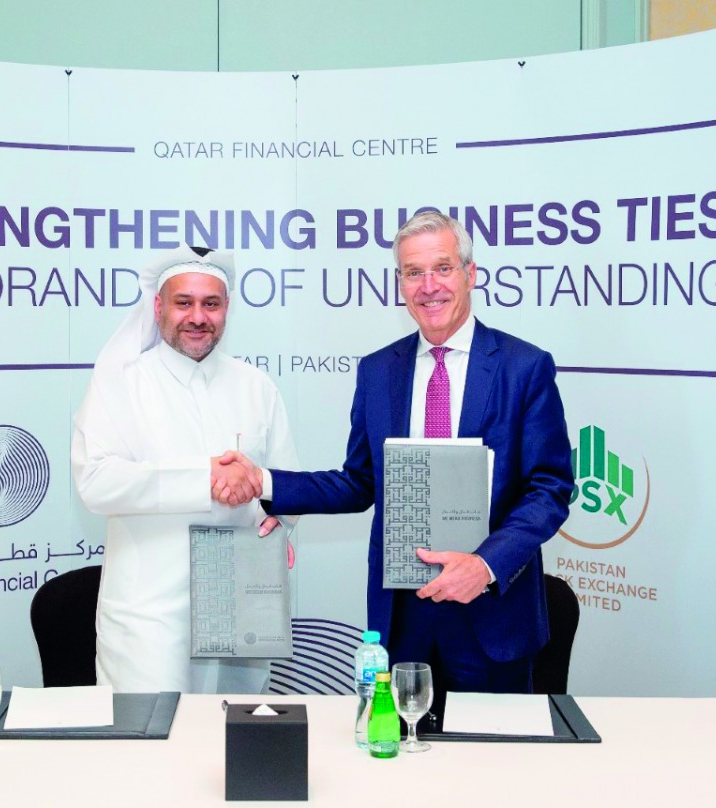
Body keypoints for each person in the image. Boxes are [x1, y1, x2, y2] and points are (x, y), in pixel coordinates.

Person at [220, 211, 573, 695]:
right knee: (399, 759)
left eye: (443, 268)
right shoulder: (377, 372)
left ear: (470, 274)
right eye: (414, 272)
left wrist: (484, 565)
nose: (429, 286)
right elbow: (360, 481)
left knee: (491, 767)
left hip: (491, 611)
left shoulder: (524, 367)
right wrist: (265, 483)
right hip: (403, 619)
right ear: (400, 284)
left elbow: (549, 489)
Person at [71, 245, 298, 694]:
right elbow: (95, 482)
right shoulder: (120, 382)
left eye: (211, 304)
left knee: (237, 741)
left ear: (226, 309)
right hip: (149, 616)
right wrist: (205, 479)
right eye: (184, 302)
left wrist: (282, 519)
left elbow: (285, 483)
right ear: (158, 307)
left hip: (240, 602)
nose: (198, 316)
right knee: (151, 748)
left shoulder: (257, 386)